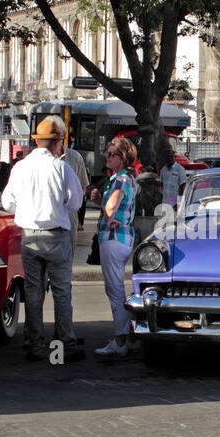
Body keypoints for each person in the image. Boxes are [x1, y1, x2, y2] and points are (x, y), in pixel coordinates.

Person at [1, 119, 85, 362]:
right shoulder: (62, 168)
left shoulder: (20, 168)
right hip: (56, 236)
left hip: (29, 236)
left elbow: (8, 202)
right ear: (58, 142)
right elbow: (75, 203)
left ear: (36, 141)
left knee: (33, 291)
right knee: (61, 290)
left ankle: (35, 344)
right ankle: (64, 344)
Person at [96, 138, 138, 359]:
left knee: (114, 291)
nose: (107, 156)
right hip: (123, 237)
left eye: (112, 154)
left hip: (113, 238)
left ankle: (121, 341)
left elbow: (112, 206)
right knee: (117, 289)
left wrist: (106, 212)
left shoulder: (120, 180)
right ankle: (128, 336)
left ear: (122, 159)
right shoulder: (126, 179)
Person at [41, 115, 89, 247]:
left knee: (66, 261)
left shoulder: (75, 157)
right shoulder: (35, 161)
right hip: (43, 221)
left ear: (63, 136)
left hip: (68, 219)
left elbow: (83, 188)